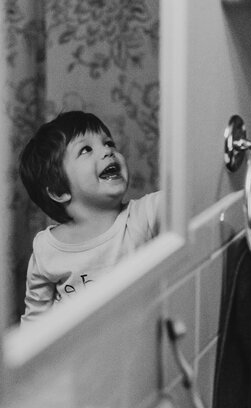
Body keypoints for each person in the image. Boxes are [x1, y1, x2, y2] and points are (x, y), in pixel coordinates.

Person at [18, 111, 160, 321]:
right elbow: (35, 321)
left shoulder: (145, 214)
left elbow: (187, 196)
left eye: (109, 143)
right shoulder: (46, 248)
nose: (108, 151)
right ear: (59, 191)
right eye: (86, 149)